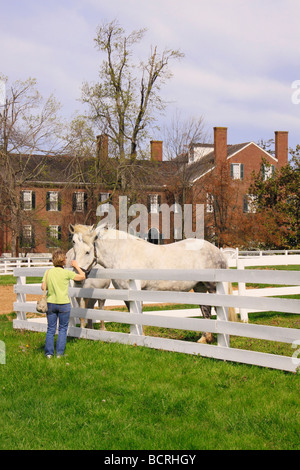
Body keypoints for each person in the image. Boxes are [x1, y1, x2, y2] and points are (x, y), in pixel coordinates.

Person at [42, 248, 85, 358]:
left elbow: (43, 287)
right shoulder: (66, 273)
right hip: (64, 304)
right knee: (62, 329)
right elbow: (82, 276)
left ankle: (49, 354)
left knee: (51, 329)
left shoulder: (48, 272)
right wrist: (76, 266)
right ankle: (59, 354)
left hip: (51, 303)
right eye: (65, 258)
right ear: (63, 261)